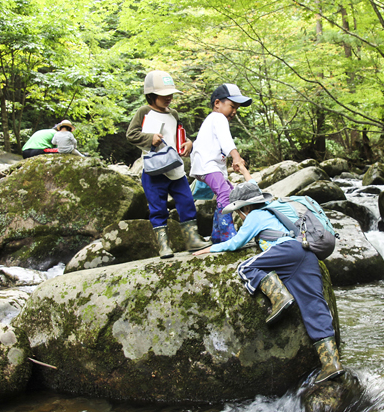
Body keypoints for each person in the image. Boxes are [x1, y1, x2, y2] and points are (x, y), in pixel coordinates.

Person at [193, 164, 344, 384]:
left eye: (238, 212)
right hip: (306, 253)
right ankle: (331, 364)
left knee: (246, 267)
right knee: (314, 306)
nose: (239, 216)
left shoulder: (255, 215)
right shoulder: (274, 210)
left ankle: (279, 298)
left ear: (244, 209)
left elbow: (235, 244)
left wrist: (207, 249)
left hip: (287, 250)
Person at [127, 70, 208, 258]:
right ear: (151, 95)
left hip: (175, 167)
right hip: (154, 169)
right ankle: (164, 245)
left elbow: (178, 133)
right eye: (164, 95)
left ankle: (192, 239)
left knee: (187, 201)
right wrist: (150, 138)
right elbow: (131, 134)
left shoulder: (173, 114)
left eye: (170, 94)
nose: (169, 98)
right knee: (158, 207)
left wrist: (188, 142)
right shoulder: (144, 112)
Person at [189, 83, 251, 244]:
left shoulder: (213, 120)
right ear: (217, 103)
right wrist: (236, 156)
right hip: (207, 166)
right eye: (232, 106)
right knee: (225, 194)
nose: (235, 111)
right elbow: (226, 140)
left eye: (237, 108)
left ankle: (217, 234)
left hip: (209, 166)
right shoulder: (218, 117)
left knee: (230, 193)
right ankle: (227, 234)